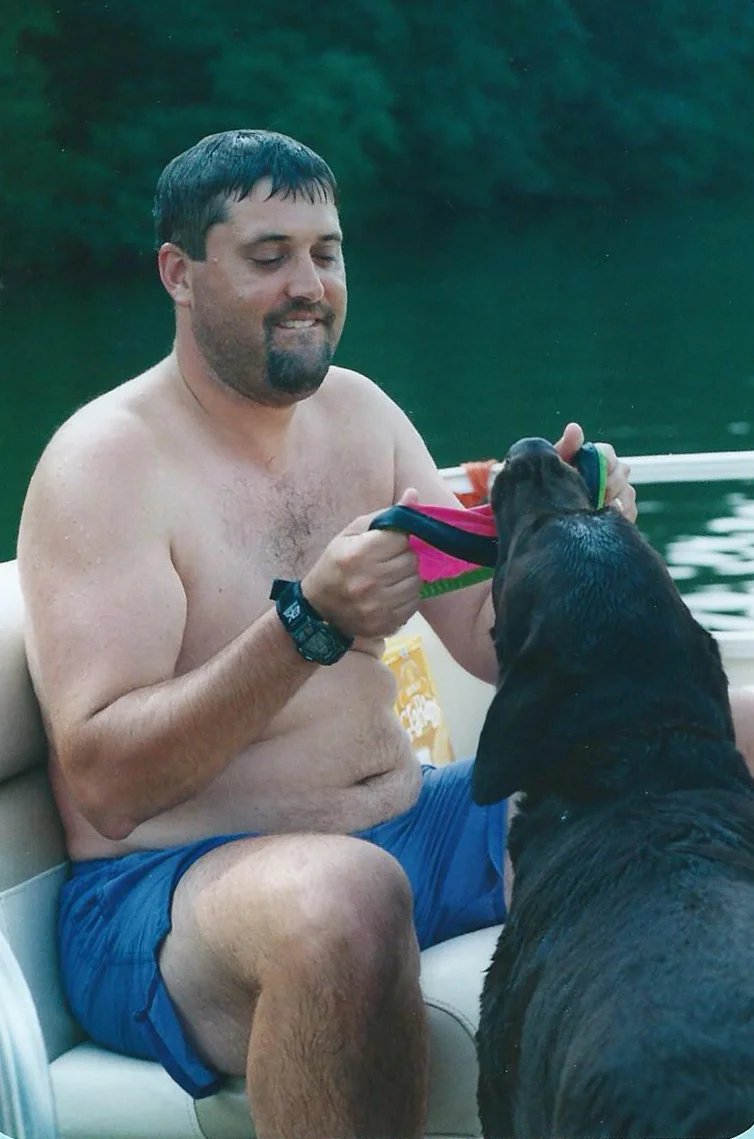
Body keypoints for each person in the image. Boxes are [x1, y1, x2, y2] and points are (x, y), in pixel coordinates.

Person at [17, 128, 640, 1138]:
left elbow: (490, 642)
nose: (308, 284)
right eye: (269, 258)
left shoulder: (363, 413)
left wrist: (581, 546)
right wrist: (306, 621)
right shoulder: (104, 464)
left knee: (727, 731)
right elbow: (106, 781)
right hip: (163, 892)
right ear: (180, 272)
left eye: (326, 252)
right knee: (347, 890)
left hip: (413, 828)